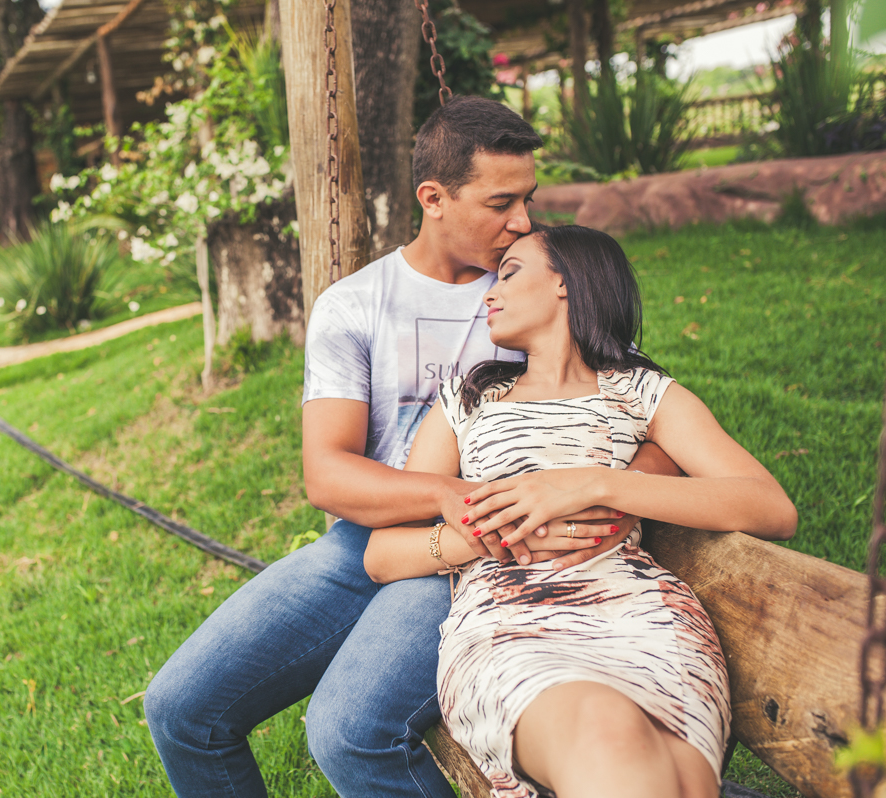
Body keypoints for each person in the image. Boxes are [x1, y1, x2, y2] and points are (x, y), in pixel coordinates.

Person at [143, 98, 679, 798]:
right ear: (434, 199)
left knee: (348, 731)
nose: (522, 221)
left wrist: (614, 495)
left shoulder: (539, 283)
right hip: (367, 542)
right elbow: (328, 474)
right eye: (501, 203)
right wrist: (449, 495)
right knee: (182, 709)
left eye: (528, 198)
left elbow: (649, 411)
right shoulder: (356, 305)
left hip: (491, 553)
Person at [364, 224, 797, 798]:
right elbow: (381, 554)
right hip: (511, 624)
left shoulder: (642, 392)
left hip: (646, 621)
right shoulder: (468, 401)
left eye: (509, 274)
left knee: (682, 778)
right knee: (604, 731)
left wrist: (597, 485)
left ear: (565, 282)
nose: (490, 293)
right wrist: (490, 535)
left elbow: (771, 507)